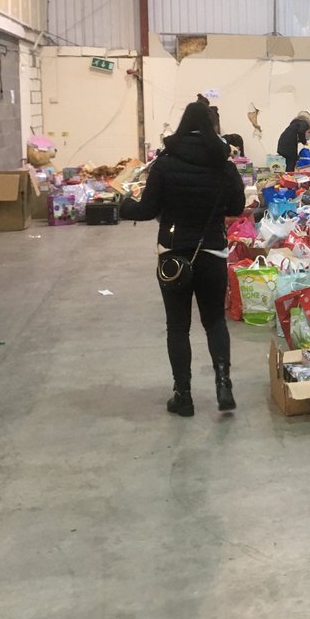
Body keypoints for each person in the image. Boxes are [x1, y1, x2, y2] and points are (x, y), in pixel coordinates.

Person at [120, 102, 246, 416]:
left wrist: (124, 205)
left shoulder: (165, 163)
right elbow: (236, 207)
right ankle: (223, 384)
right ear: (211, 126)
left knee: (178, 327)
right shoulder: (224, 164)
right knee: (215, 321)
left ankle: (184, 395)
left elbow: (147, 209)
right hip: (213, 251)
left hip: (173, 255)